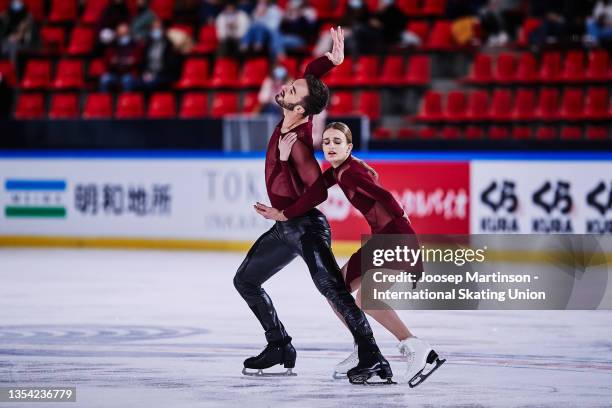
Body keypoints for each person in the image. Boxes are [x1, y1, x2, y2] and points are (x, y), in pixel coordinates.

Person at [234, 27, 394, 385]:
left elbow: (318, 193)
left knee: (332, 289)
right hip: (286, 229)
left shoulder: (302, 145)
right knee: (245, 280)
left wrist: (286, 211)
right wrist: (330, 62)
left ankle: (372, 355)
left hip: (305, 227)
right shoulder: (294, 115)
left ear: (299, 108)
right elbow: (310, 74)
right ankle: (279, 345)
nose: (286, 88)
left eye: (291, 91)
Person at [257, 122, 446, 386]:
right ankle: (363, 348)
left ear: (349, 146)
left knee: (367, 299)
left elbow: (386, 197)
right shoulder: (339, 171)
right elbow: (312, 194)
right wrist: (285, 161)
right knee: (337, 292)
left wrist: (406, 231)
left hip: (395, 238)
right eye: (326, 142)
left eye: (337, 142)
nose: (331, 147)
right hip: (381, 240)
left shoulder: (349, 174)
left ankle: (417, 348)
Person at [137, 19, 181, 90]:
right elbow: (144, 62)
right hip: (149, 74)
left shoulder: (169, 45)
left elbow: (171, 66)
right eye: (153, 28)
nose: (155, 31)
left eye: (158, 28)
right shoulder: (148, 44)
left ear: (163, 30)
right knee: (137, 82)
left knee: (150, 83)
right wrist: (145, 73)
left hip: (164, 74)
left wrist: (154, 75)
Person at [99, 23, 143, 92]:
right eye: (120, 30)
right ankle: (103, 101)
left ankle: (126, 101)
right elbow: (108, 59)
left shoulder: (135, 44)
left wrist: (131, 61)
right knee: (105, 79)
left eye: (124, 30)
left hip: (129, 72)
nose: (122, 32)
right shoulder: (113, 44)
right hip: (115, 72)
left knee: (126, 80)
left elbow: (136, 59)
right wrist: (113, 60)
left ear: (128, 30)